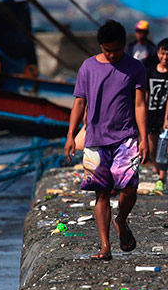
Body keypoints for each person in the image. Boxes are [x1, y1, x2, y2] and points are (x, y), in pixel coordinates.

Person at [64, 20, 149, 260]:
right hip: (95, 139)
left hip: (126, 137)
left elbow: (140, 104)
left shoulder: (135, 67)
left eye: (116, 50)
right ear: (101, 46)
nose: (112, 55)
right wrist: (71, 135)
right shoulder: (88, 67)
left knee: (130, 186)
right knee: (101, 193)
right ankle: (104, 246)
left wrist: (143, 138)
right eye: (107, 50)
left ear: (125, 44)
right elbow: (79, 102)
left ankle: (121, 219)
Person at [145, 37, 168, 193]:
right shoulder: (149, 71)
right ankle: (158, 171)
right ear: (158, 53)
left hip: (167, 117)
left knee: (164, 148)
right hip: (151, 115)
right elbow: (144, 94)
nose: (165, 57)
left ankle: (161, 178)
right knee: (152, 148)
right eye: (162, 53)